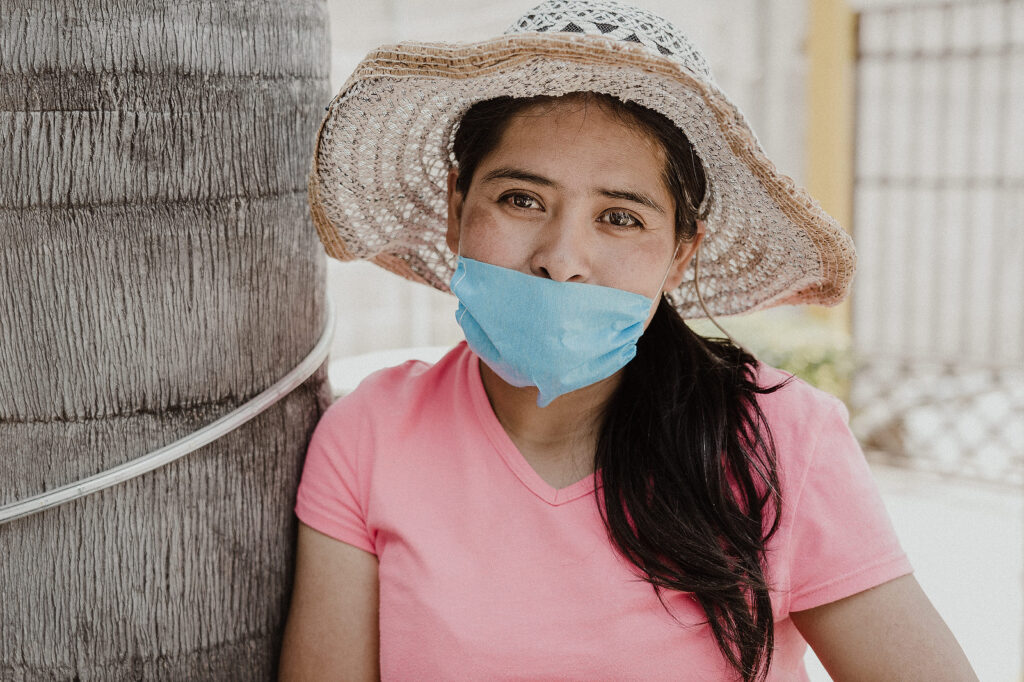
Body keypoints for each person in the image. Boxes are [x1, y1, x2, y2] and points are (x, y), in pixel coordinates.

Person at [279, 2, 977, 680]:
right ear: (459, 209)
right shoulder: (368, 437)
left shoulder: (781, 440)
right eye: (521, 199)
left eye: (619, 217)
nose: (562, 257)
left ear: (680, 251)